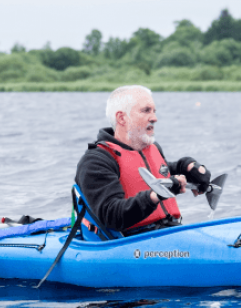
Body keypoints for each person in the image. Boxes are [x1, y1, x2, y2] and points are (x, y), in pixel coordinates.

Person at [75, 85, 211, 236]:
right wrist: (156, 194)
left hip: (169, 231)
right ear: (122, 118)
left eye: (154, 111)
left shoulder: (152, 148)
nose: (154, 118)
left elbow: (162, 170)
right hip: (131, 244)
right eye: (146, 111)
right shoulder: (95, 161)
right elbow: (111, 215)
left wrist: (187, 166)